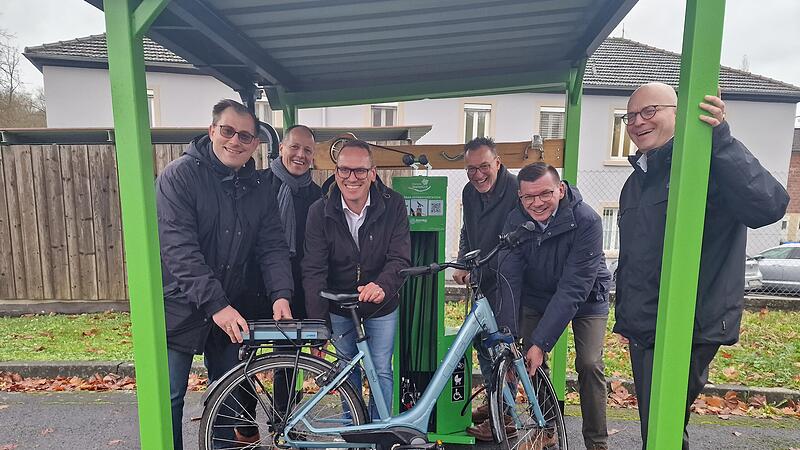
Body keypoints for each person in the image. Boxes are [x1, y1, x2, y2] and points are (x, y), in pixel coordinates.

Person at [613, 82, 789, 449]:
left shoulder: (707, 164)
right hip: (644, 324)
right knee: (659, 425)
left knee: (664, 422)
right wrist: (625, 319)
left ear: (678, 114)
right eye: (630, 116)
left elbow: (769, 206)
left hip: (689, 324)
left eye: (649, 111)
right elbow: (634, 258)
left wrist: (721, 141)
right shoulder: (636, 182)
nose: (637, 122)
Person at [156, 99, 294, 450]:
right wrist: (216, 304)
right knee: (170, 397)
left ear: (255, 143)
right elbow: (179, 250)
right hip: (180, 305)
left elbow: (272, 246)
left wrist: (281, 294)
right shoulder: (180, 176)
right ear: (212, 131)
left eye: (245, 136)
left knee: (225, 396)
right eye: (228, 131)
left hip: (229, 307)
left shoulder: (259, 186)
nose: (236, 141)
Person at [487, 162, 610, 449]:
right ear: (520, 196)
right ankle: (547, 428)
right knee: (531, 362)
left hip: (587, 298)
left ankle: (597, 441)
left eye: (545, 194)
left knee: (589, 363)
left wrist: (541, 342)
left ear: (561, 189)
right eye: (528, 197)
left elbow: (573, 287)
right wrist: (509, 336)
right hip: (539, 296)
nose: (537, 203)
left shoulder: (587, 220)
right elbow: (509, 278)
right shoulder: (515, 220)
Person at [302, 139, 411, 420]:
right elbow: (314, 269)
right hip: (339, 305)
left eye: (360, 171)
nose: (352, 178)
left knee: (381, 369)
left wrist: (383, 286)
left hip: (381, 304)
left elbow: (400, 258)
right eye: (344, 170)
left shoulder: (394, 204)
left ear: (372, 172)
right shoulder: (319, 211)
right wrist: (318, 325)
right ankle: (353, 434)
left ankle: (381, 431)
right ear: (336, 172)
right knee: (346, 370)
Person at [233, 124, 321, 444]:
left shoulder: (317, 195)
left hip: (293, 290)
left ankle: (286, 422)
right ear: (281, 148)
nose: (300, 155)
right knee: (245, 356)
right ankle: (245, 421)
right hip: (251, 286)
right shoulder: (258, 184)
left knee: (289, 359)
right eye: (295, 147)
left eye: (307, 150)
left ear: (313, 156)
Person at [453, 137, 519, 433]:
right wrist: (462, 262)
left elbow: (517, 244)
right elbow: (467, 230)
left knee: (503, 348)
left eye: (483, 167)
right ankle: (495, 402)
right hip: (481, 279)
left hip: (509, 282)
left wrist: (480, 272)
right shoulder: (469, 192)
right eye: (470, 169)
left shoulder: (517, 190)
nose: (477, 175)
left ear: (497, 163)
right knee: (482, 344)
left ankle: (502, 418)